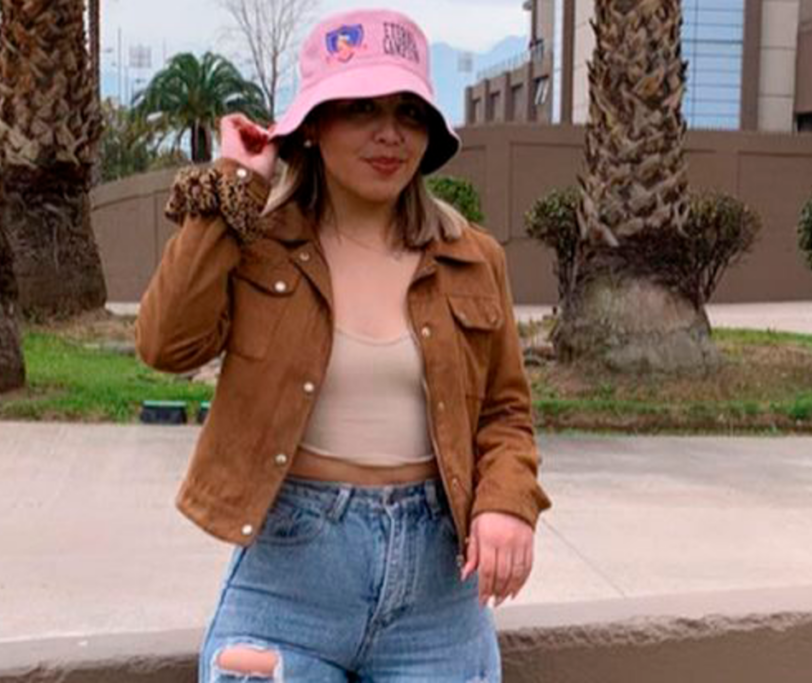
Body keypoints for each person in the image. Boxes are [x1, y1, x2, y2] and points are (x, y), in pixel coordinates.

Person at [136, 8, 552, 682]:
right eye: (361, 109)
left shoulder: (473, 257)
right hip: (290, 571)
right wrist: (236, 188)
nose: (390, 133)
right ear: (315, 125)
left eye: (409, 112)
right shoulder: (257, 242)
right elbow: (165, 343)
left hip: (438, 586)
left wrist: (507, 501)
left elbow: (506, 412)